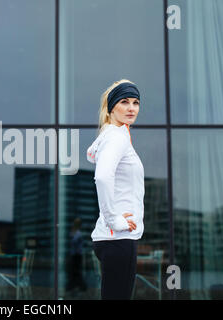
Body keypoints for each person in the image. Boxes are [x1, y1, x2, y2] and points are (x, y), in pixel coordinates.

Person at [86, 79, 145, 300]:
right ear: (112, 107)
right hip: (118, 238)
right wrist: (114, 220)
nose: (131, 108)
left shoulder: (112, 137)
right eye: (124, 101)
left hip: (113, 240)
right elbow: (102, 177)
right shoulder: (117, 137)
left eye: (136, 102)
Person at [66, 217, 87, 294]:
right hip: (75, 255)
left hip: (77, 255)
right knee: (74, 271)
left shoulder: (78, 233)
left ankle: (77, 286)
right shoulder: (75, 232)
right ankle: (75, 286)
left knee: (76, 271)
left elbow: (75, 243)